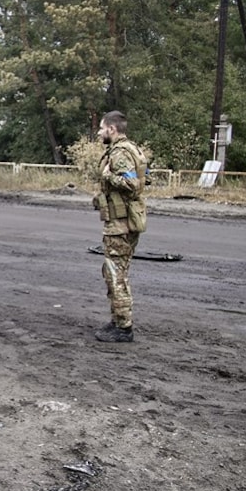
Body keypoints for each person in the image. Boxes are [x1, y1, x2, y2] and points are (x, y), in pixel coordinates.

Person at [92, 110, 149, 343]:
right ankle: (118, 320)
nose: (99, 132)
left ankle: (123, 327)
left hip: (121, 224)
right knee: (114, 272)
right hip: (125, 221)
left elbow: (132, 184)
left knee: (116, 274)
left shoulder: (121, 153)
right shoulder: (131, 149)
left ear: (112, 129)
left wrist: (108, 177)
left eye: (102, 128)